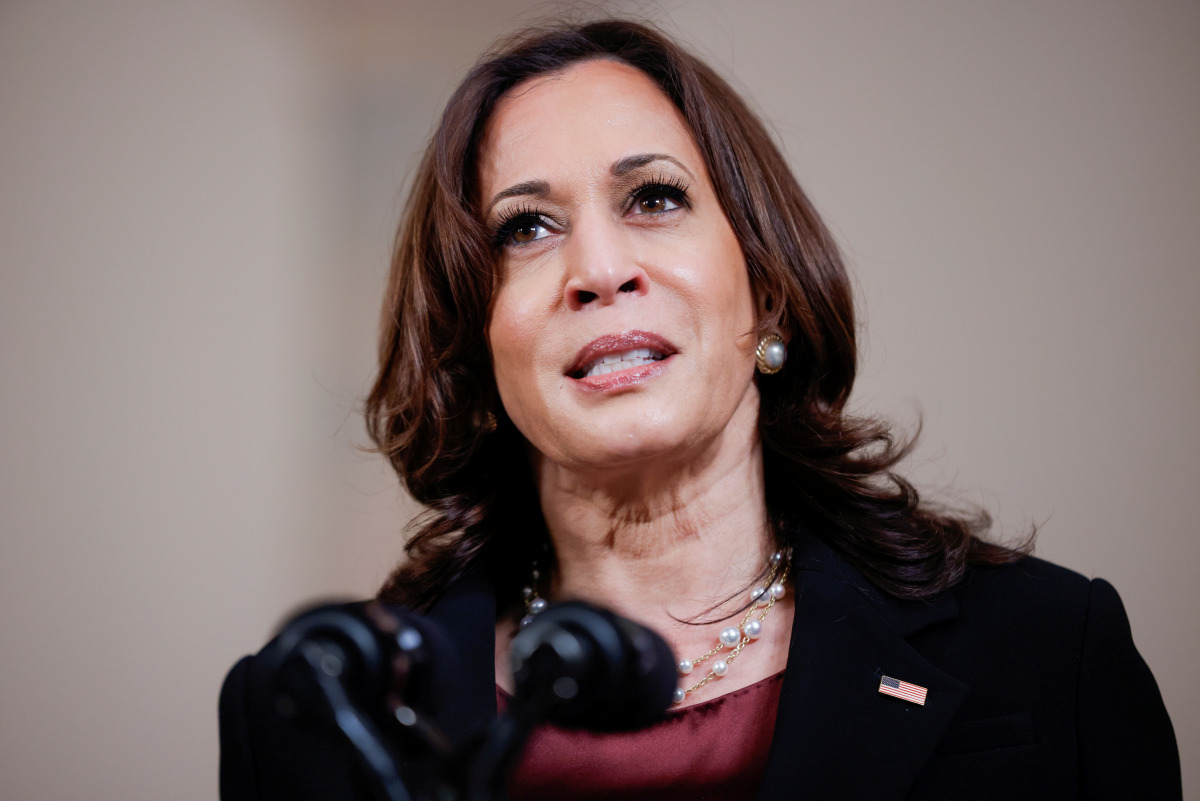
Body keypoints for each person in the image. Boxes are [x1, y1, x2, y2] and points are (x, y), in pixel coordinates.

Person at [220, 18, 1181, 800]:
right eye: (527, 226)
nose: (598, 269)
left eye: (653, 199)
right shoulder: (307, 715)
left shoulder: (1050, 646)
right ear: (475, 344)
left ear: (766, 291)